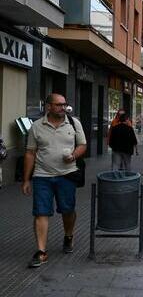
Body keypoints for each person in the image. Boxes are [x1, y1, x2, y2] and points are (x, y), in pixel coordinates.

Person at [21, 93, 87, 268]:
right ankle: (41, 251)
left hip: (67, 175)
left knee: (68, 210)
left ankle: (68, 235)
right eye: (58, 105)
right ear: (48, 106)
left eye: (64, 104)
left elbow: (82, 145)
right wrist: (26, 180)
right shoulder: (36, 127)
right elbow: (30, 153)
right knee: (40, 212)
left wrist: (73, 156)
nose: (63, 108)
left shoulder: (74, 123)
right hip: (42, 176)